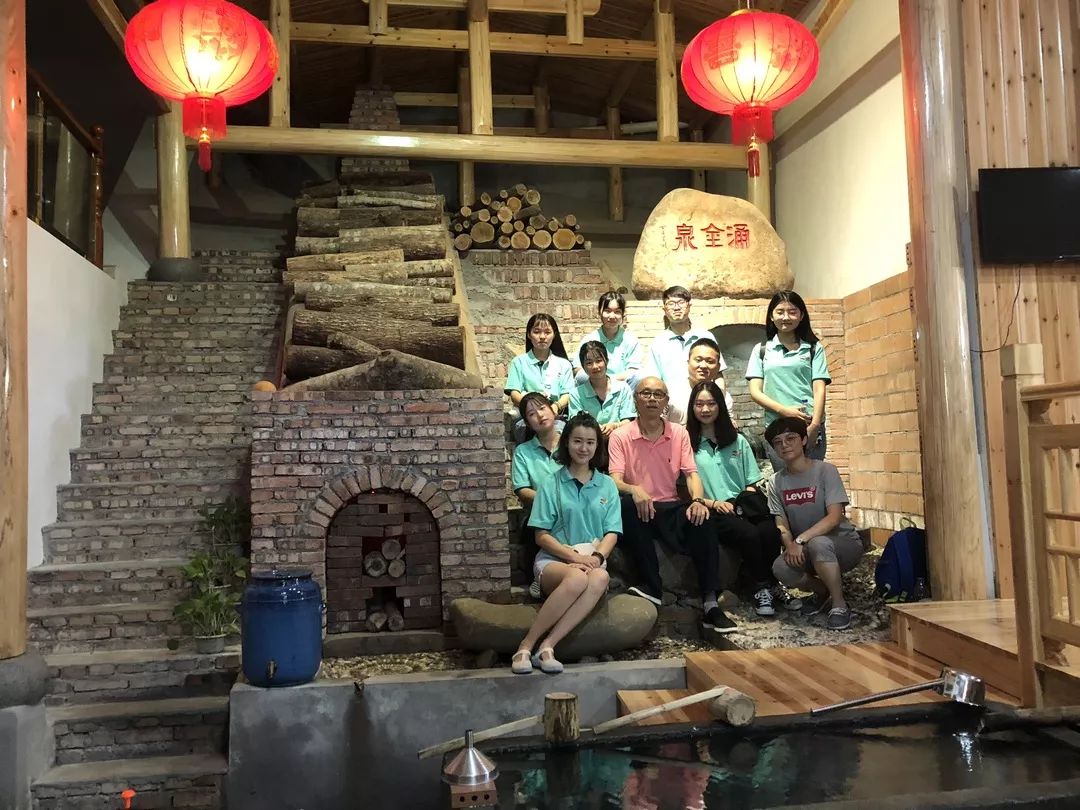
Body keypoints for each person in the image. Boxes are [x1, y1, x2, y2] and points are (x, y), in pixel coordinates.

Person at [607, 376, 738, 633]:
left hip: (669, 507)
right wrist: (635, 489)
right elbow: (614, 479)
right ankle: (652, 586)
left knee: (702, 517)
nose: (652, 399)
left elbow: (691, 474)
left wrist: (698, 501)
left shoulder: (679, 433)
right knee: (627, 505)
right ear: (635, 399)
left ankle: (711, 603)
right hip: (640, 509)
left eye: (658, 394)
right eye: (645, 393)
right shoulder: (620, 436)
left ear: (666, 402)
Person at [512, 413, 621, 675]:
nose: (584, 448)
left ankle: (548, 646)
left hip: (592, 560)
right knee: (576, 579)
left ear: (597, 446)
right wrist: (574, 558)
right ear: (567, 443)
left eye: (590, 442)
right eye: (577, 441)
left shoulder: (607, 484)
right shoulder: (551, 483)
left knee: (600, 578)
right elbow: (541, 536)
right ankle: (525, 645)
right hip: (555, 560)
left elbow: (612, 532)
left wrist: (596, 558)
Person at [686, 381, 801, 617]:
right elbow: (685, 485)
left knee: (769, 531)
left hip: (743, 505)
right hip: (711, 508)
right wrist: (714, 504)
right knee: (748, 534)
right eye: (699, 404)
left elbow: (751, 481)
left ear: (720, 406)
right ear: (692, 407)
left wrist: (739, 503)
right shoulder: (687, 444)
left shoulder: (737, 441)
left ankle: (773, 584)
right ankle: (760, 588)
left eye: (711, 403)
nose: (705, 409)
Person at [766, 416, 865, 631]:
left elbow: (834, 517)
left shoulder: (825, 470)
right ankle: (822, 592)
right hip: (806, 548)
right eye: (778, 442)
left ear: (803, 440)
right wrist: (790, 545)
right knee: (781, 567)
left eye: (790, 438)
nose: (785, 445)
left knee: (819, 543)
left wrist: (800, 540)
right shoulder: (775, 482)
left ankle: (839, 605)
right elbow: (781, 523)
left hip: (843, 544)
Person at [747, 291, 831, 470]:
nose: (786, 317)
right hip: (777, 427)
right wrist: (783, 411)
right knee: (784, 480)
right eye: (780, 312)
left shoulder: (813, 348)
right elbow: (755, 392)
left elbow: (819, 388)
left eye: (792, 312)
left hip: (808, 425)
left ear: (801, 316)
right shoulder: (761, 350)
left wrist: (815, 425)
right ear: (771, 316)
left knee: (814, 479)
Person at [646, 286, 729, 405]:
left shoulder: (706, 336)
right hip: (672, 406)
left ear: (689, 305)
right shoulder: (658, 343)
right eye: (671, 303)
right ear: (664, 309)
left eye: (681, 302)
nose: (676, 308)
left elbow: (718, 375)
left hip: (705, 405)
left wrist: (721, 402)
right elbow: (654, 382)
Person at [505, 313, 574, 441]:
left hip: (555, 416)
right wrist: (533, 408)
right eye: (537, 332)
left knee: (560, 432)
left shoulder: (564, 364)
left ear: (554, 335)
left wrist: (555, 407)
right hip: (526, 417)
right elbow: (514, 394)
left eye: (547, 332)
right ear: (529, 334)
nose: (542, 337)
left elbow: (567, 394)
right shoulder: (518, 362)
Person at [572, 290, 644, 388]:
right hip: (594, 385)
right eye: (607, 311)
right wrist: (600, 380)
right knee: (581, 376)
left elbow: (633, 371)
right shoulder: (590, 339)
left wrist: (609, 380)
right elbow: (577, 369)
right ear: (599, 312)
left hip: (622, 386)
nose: (612, 316)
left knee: (638, 377)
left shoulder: (631, 340)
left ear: (623, 314)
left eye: (617, 312)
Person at [567, 341, 636, 435]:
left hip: (619, 438)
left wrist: (615, 426)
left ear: (606, 361)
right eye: (589, 363)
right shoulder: (576, 394)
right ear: (583, 367)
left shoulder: (623, 388)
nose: (595, 366)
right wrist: (595, 428)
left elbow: (629, 420)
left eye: (599, 361)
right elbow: (576, 425)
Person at [510, 393, 563, 511]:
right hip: (541, 513)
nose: (540, 414)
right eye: (531, 414)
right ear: (527, 423)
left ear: (552, 410)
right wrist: (553, 500)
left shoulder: (571, 443)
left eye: (542, 408)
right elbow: (522, 490)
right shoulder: (522, 452)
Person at [664, 337, 733, 426]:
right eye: (698, 360)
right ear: (688, 362)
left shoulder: (724, 397)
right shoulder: (670, 393)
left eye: (710, 361)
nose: (703, 366)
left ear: (718, 367)